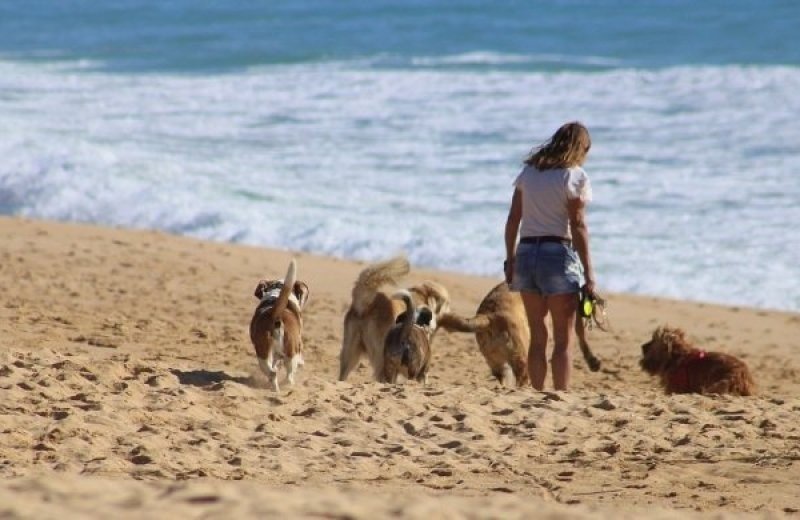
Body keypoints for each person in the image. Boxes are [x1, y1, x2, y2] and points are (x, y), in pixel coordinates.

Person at [503, 121, 596, 391]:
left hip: (527, 252)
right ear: (580, 148)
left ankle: (537, 393)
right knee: (563, 339)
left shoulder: (528, 173)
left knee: (538, 336)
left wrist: (510, 260)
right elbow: (578, 225)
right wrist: (590, 273)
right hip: (557, 254)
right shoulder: (574, 176)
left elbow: (512, 220)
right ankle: (560, 396)